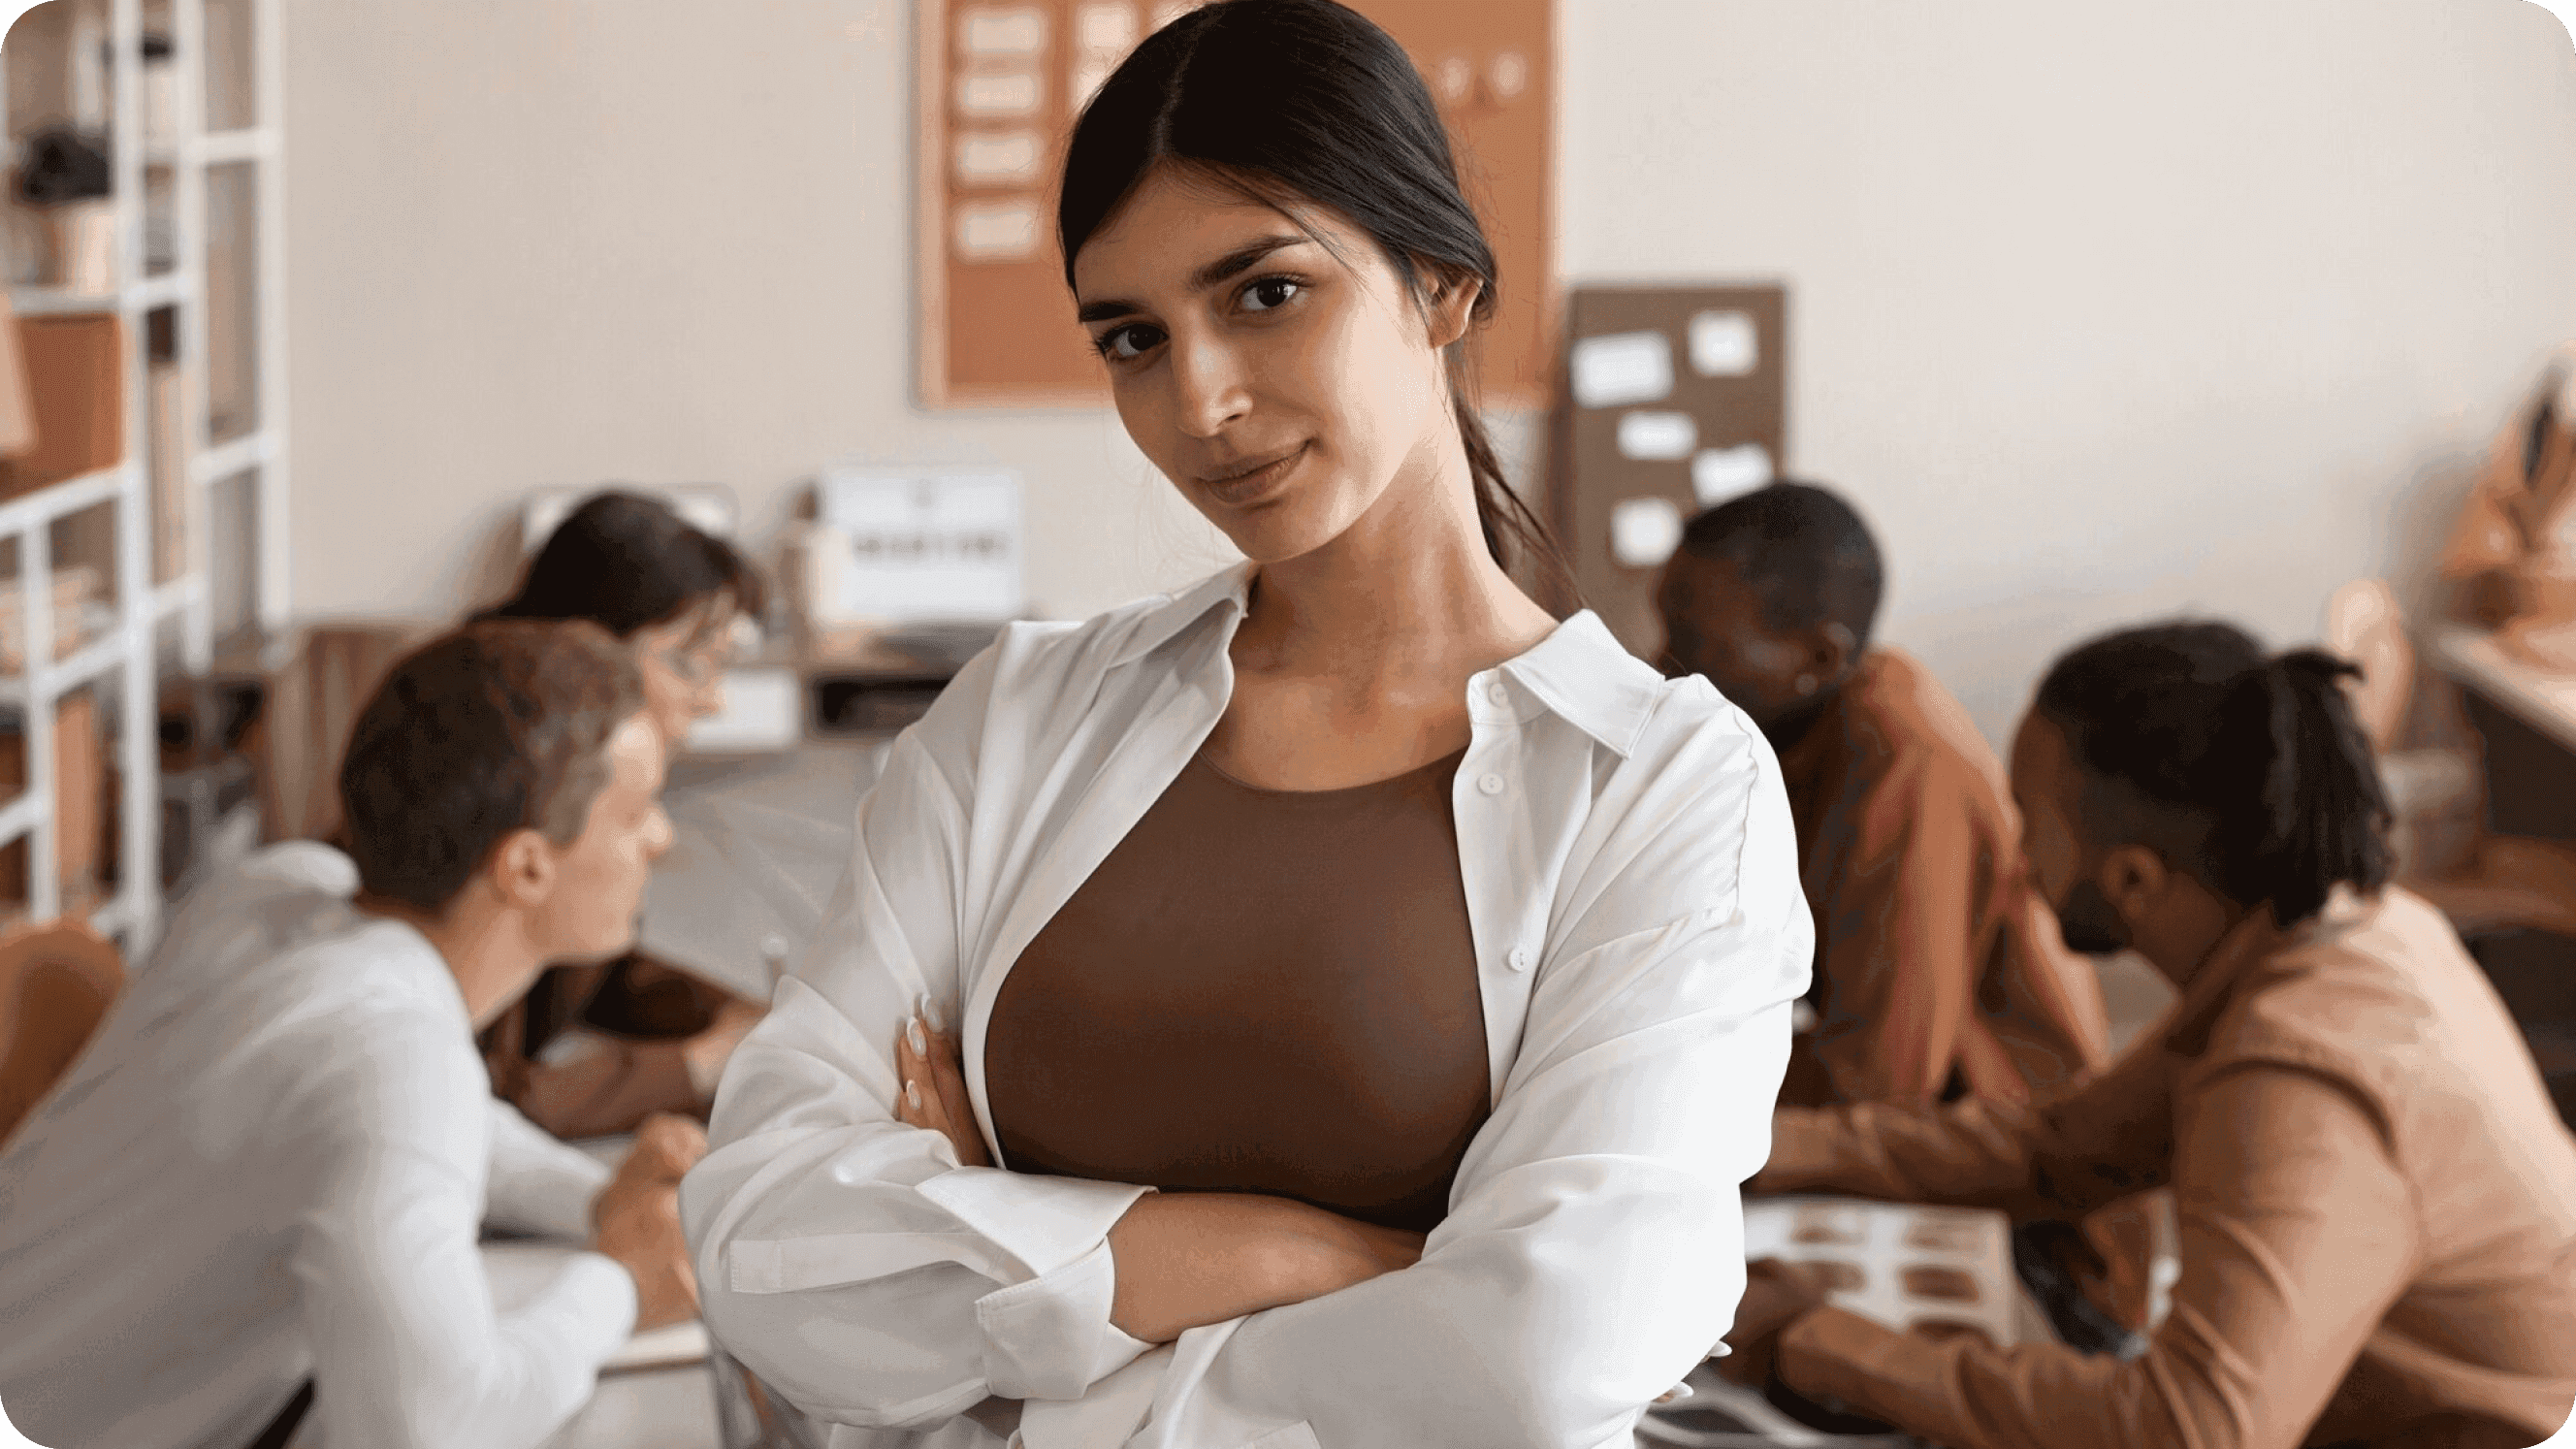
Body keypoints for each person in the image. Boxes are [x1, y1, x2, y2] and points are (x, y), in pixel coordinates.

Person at [681, 3, 1811, 1446]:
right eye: (1133, 337)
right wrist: (1320, 1259)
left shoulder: (1663, 786)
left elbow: (1545, 1347)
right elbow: (765, 1241)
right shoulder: (1014, 721)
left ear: (1444, 280)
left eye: (1266, 293)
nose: (1198, 400)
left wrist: (1027, 1344)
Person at [1724, 621, 2576, 1449]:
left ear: (2132, 878)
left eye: (2032, 824)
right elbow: (2056, 1150)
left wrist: (1818, 1342)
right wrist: (1753, 1147)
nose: (2017, 860)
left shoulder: (2300, 1073)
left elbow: (2191, 1427)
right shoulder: (2348, 930)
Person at [0, 622, 709, 1449]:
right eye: (634, 813)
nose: (661, 839)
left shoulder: (280, 887)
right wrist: (619, 1282)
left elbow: (448, 1126)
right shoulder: (396, 1061)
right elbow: (431, 1431)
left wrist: (606, 1203)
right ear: (524, 867)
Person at [1659, 481, 2109, 1109]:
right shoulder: (1778, 736)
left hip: (2005, 1139)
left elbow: (1879, 1081)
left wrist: (1658, 1091)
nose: (1659, 668)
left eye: (1693, 646)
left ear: (1818, 657)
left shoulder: (1905, 761)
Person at [474, 489, 771, 1142]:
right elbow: (478, 1104)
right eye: (692, 663)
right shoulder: (487, 794)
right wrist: (700, 1063)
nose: (713, 700)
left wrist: (750, 1019)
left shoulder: (545, 757)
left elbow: (592, 963)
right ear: (587, 643)